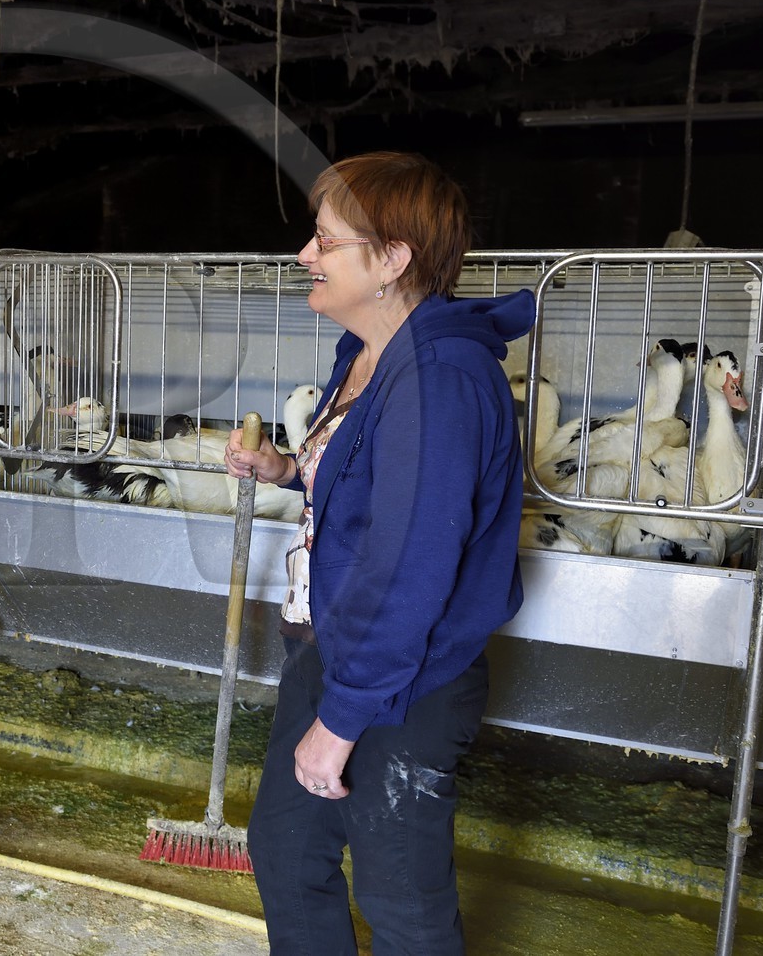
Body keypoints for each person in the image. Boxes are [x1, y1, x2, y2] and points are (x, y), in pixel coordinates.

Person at [225, 151, 533, 955]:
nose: (305, 255)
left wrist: (342, 717)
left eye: (325, 241)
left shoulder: (440, 380)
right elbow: (371, 498)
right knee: (287, 852)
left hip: (409, 674)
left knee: (400, 896)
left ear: (392, 259)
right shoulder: (363, 355)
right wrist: (290, 472)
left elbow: (410, 565)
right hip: (337, 646)